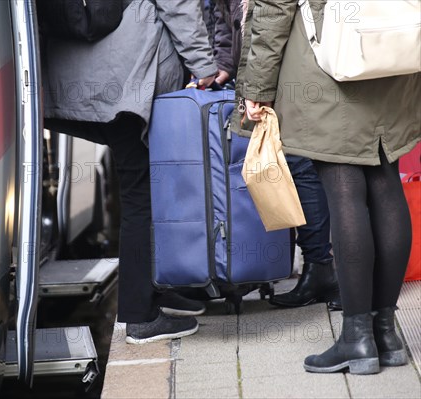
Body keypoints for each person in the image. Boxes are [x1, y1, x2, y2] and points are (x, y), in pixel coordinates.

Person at [241, 0, 420, 374]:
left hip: (330, 59)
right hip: (391, 48)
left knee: (343, 189)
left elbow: (275, 7)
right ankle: (385, 334)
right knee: (385, 177)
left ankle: (357, 339)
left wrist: (257, 86)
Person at [40, 0, 220, 344]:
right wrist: (203, 64)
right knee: (141, 195)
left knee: (147, 187)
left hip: (79, 72)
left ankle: (156, 288)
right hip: (127, 77)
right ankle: (140, 316)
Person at [212, 0, 341, 310]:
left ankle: (323, 267)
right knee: (294, 164)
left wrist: (254, 89)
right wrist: (224, 64)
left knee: (301, 163)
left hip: (290, 67)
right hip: (261, 66)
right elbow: (225, 16)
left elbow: (273, 15)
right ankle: (320, 267)